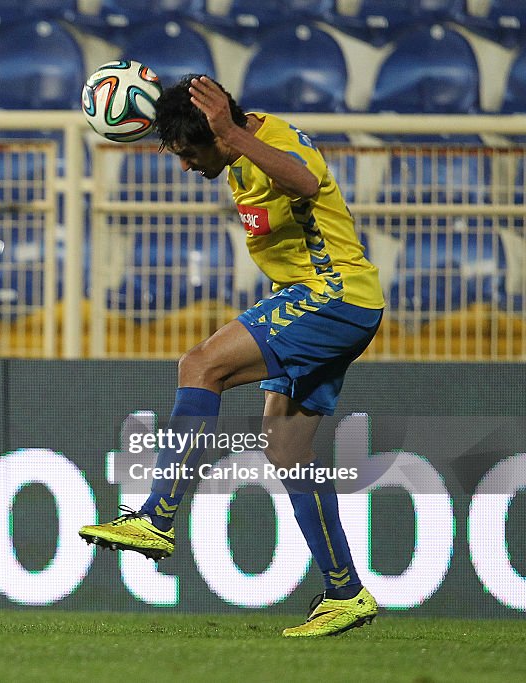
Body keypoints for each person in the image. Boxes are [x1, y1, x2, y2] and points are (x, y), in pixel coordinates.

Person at [79, 75, 384, 637]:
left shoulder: (265, 145)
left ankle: (157, 516)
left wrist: (229, 132)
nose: (187, 167)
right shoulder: (241, 142)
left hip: (332, 296)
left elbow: (306, 182)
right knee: (287, 450)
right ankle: (346, 592)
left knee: (200, 366)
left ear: (220, 135)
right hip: (332, 303)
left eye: (191, 154)